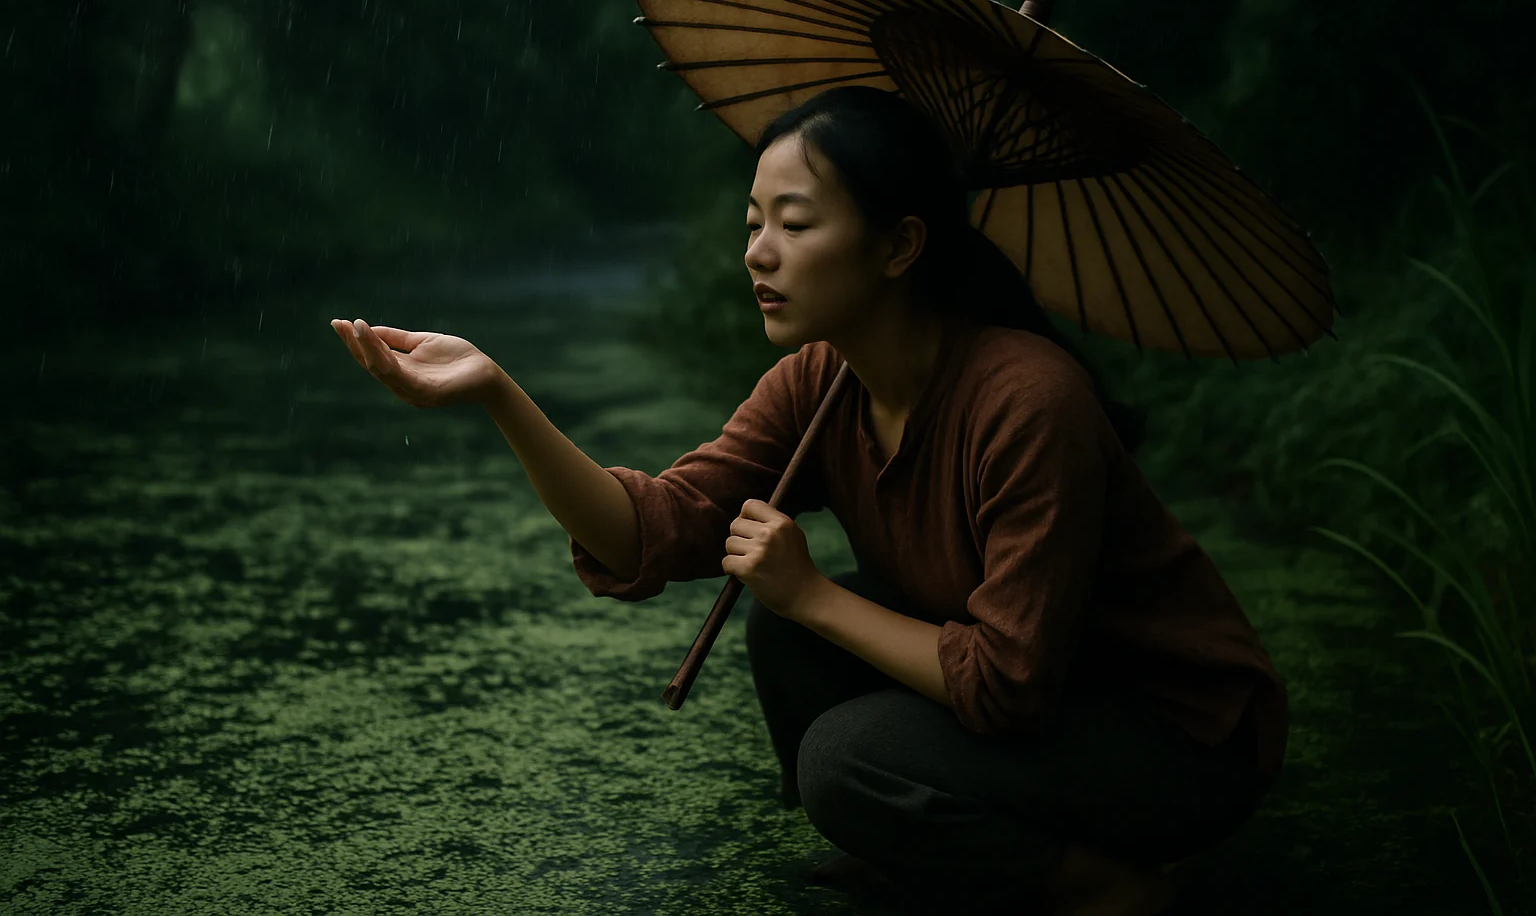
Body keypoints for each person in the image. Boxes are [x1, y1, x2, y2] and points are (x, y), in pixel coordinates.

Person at [330, 85, 1288, 916]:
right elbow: (654, 530)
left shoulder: (1028, 403)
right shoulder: (822, 382)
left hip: (1175, 736)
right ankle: (932, 853)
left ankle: (1096, 887)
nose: (758, 252)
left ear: (901, 244)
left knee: (842, 745)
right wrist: (499, 392)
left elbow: (1009, 684)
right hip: (1051, 699)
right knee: (785, 636)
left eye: (794, 223)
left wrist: (813, 595)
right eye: (753, 221)